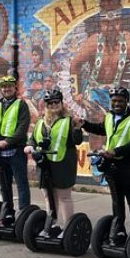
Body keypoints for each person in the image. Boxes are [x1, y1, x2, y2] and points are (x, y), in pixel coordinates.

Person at [74, 86, 130, 245]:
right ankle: (119, 230)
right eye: (114, 101)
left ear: (127, 102)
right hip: (112, 165)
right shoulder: (109, 117)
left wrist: (116, 151)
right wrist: (84, 123)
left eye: (120, 101)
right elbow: (101, 129)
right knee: (117, 200)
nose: (117, 104)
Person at [71, 0, 130, 114]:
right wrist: (76, 93)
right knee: (97, 128)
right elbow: (75, 64)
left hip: (117, 95)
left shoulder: (128, 40)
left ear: (120, 22)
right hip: (94, 94)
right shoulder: (93, 41)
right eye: (106, 23)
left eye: (115, 22)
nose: (111, 28)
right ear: (100, 25)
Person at [24, 88, 83, 237]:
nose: (53, 105)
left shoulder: (69, 120)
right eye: (50, 103)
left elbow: (77, 141)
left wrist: (77, 128)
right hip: (44, 164)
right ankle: (52, 225)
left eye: (57, 102)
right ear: (46, 105)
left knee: (64, 196)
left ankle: (68, 230)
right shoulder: (41, 121)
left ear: (62, 103)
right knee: (48, 195)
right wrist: (29, 145)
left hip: (63, 164)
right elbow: (33, 138)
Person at [0, 75, 31, 226]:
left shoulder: (21, 105)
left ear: (15, 88)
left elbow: (22, 127)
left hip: (15, 150)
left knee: (21, 183)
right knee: (4, 185)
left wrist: (8, 141)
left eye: (9, 86)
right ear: (0, 89)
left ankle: (24, 213)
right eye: (3, 87)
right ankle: (8, 211)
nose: (6, 89)